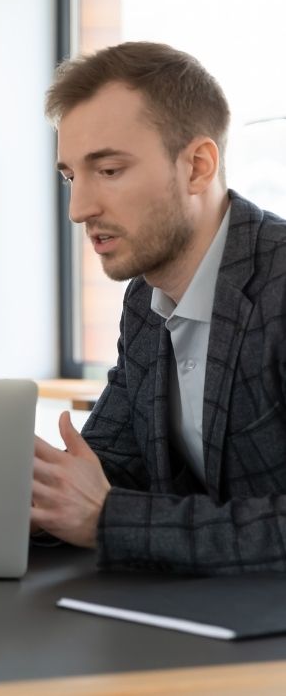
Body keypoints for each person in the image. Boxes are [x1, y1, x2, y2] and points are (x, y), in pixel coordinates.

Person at [32, 40, 286, 574]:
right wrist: (31, 499)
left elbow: (107, 507)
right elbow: (111, 467)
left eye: (109, 170)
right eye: (71, 176)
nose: (80, 209)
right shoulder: (144, 303)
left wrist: (109, 518)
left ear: (197, 166)